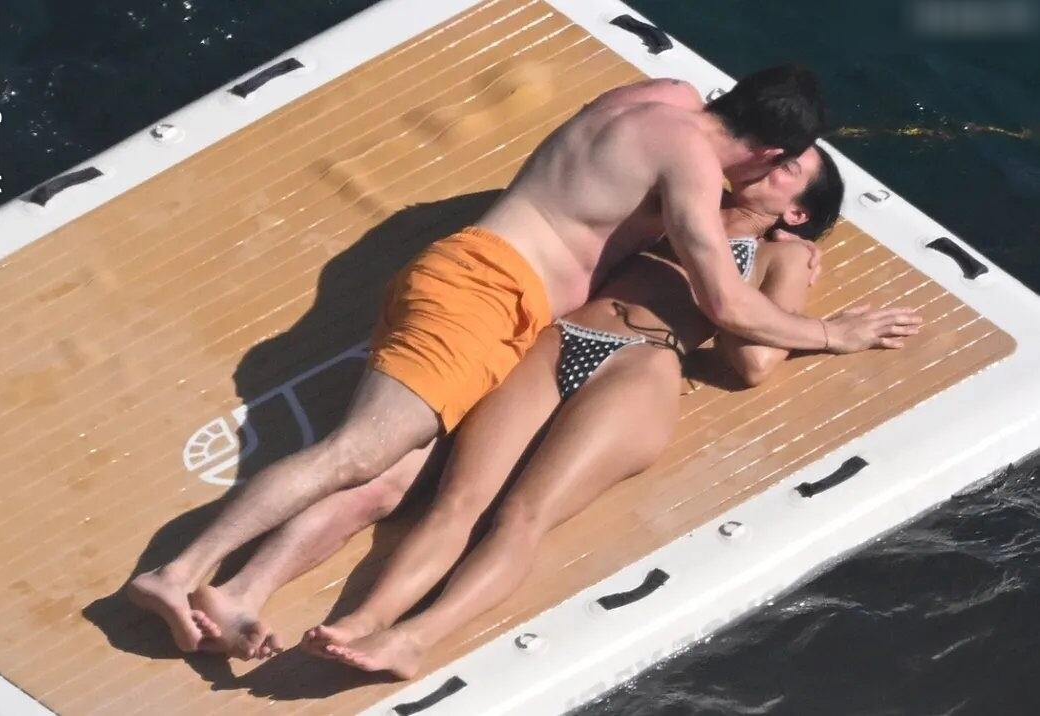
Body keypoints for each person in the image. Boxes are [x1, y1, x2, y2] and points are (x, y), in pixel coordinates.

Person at [128, 68, 920, 652]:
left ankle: (241, 592)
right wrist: (834, 333)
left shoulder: (663, 95)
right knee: (357, 453)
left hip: (489, 291)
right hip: (487, 296)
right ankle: (181, 571)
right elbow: (727, 306)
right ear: (769, 148)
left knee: (385, 485)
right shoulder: (691, 163)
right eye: (781, 162)